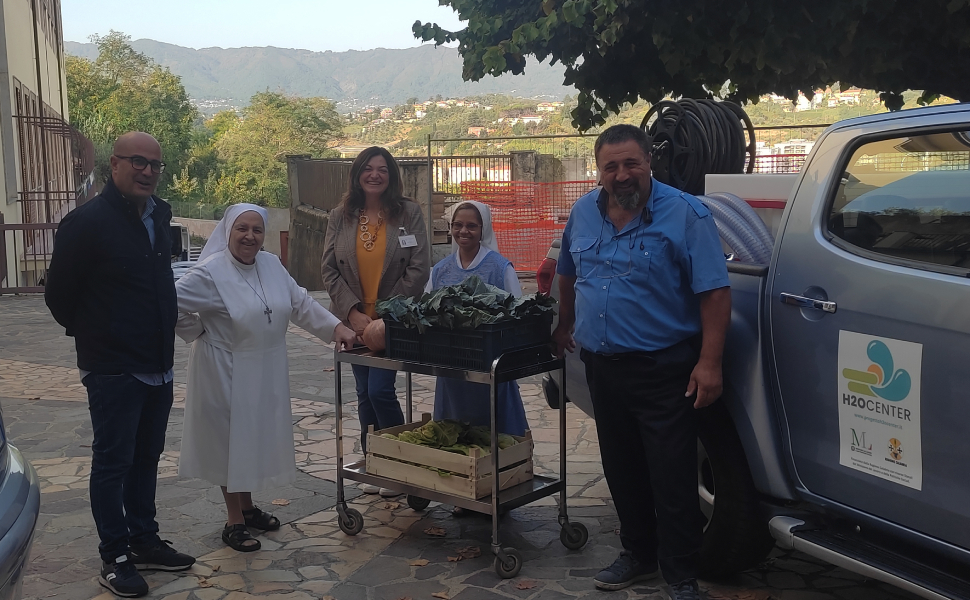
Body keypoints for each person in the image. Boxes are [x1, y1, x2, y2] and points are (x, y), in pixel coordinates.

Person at [552, 124, 731, 600]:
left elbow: (714, 292)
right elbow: (569, 274)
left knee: (671, 473)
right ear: (599, 170)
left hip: (664, 368)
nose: (622, 174)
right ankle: (638, 554)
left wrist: (709, 362)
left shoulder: (687, 214)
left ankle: (681, 574)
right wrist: (563, 323)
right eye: (611, 166)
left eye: (631, 163)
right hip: (603, 367)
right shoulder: (582, 214)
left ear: (649, 161)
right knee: (621, 466)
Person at [45, 132, 196, 598]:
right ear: (115, 165)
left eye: (155, 164)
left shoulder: (159, 216)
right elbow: (59, 296)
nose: (148, 171)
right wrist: (98, 338)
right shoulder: (86, 223)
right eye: (138, 162)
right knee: (113, 463)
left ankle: (144, 539)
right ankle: (115, 556)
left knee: (146, 458)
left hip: (158, 364)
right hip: (114, 368)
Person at [175, 204, 356, 552]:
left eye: (257, 230)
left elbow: (300, 304)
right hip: (224, 366)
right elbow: (169, 302)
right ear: (227, 231)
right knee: (230, 440)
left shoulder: (271, 264)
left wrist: (337, 328)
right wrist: (196, 329)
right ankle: (234, 521)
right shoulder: (211, 272)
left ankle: (247, 506)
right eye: (241, 229)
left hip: (265, 365)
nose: (250, 236)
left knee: (252, 437)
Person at [321, 146, 430, 497]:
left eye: (382, 169)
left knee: (380, 390)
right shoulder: (340, 216)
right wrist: (353, 313)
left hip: (392, 321)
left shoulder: (409, 213)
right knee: (363, 394)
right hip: (355, 322)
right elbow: (329, 270)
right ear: (357, 174)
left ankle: (400, 467)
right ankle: (375, 463)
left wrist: (385, 315)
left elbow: (418, 268)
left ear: (392, 176)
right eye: (368, 168)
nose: (375, 175)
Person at [426, 200, 528, 517]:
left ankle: (500, 489)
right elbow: (426, 309)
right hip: (453, 372)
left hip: (490, 369)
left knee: (493, 431)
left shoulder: (500, 268)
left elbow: (516, 314)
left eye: (471, 225)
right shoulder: (440, 270)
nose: (463, 231)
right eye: (458, 225)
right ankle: (463, 491)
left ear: (483, 229)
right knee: (456, 432)